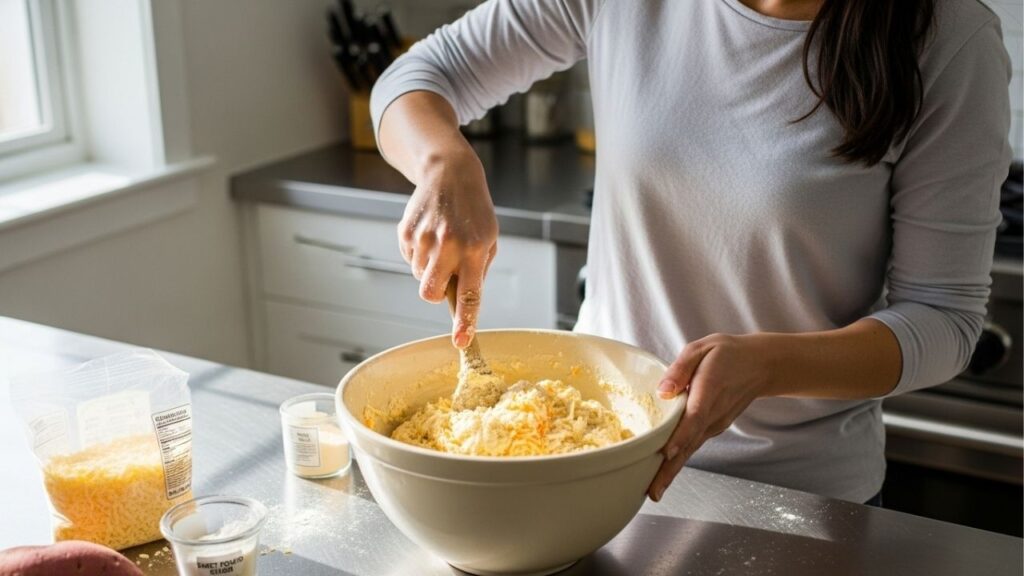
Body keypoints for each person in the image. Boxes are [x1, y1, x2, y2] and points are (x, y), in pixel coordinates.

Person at [369, 0, 1012, 504]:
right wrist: (441, 158)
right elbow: (420, 77)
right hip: (592, 467)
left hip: (797, 496)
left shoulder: (950, 38)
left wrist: (771, 365)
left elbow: (945, 318)